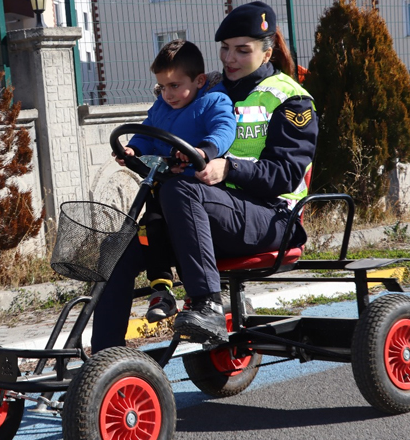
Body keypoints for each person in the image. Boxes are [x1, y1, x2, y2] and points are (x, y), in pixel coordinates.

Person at [92, 1, 317, 353]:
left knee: (181, 190)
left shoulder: (291, 100)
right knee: (116, 248)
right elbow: (163, 118)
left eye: (243, 50)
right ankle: (106, 358)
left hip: (271, 216)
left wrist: (229, 168)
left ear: (267, 51)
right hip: (204, 212)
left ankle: (207, 304)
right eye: (225, 49)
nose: (230, 58)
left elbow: (286, 174)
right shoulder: (208, 89)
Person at [118, 39, 236, 324]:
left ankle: (203, 294)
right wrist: (134, 148)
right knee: (149, 228)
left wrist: (204, 151)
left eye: (174, 85)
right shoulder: (161, 107)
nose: (167, 94)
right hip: (162, 186)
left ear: (198, 80)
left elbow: (224, 129)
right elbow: (147, 132)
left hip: (196, 190)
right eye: (162, 87)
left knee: (183, 230)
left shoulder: (214, 101)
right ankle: (161, 289)